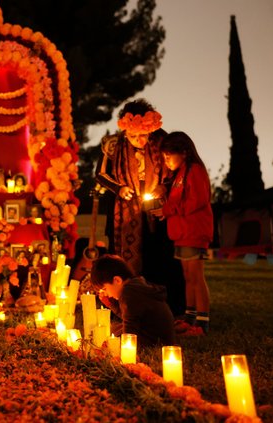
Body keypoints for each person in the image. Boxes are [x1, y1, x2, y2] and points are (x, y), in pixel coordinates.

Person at [95, 99, 185, 317]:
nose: (139, 141)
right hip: (125, 210)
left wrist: (163, 188)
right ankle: (129, 305)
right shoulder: (112, 144)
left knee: (161, 255)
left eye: (143, 136)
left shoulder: (162, 140)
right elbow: (100, 174)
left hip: (156, 208)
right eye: (134, 136)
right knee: (127, 259)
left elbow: (176, 170)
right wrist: (120, 188)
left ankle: (169, 306)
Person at [150, 131, 213, 336]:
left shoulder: (194, 170)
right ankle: (190, 317)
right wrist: (164, 206)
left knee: (196, 276)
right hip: (182, 232)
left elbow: (197, 201)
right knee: (187, 277)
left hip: (194, 231)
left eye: (169, 156)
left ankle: (202, 324)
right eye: (164, 157)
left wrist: (168, 210)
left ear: (184, 152)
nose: (166, 161)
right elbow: (178, 202)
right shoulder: (179, 175)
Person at [91, 254, 176, 347]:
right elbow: (129, 315)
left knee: (114, 334)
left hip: (153, 341)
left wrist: (125, 348)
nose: (106, 294)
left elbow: (130, 327)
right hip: (157, 336)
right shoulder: (135, 285)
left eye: (104, 289)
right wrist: (111, 304)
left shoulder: (128, 293)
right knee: (115, 328)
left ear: (117, 280)